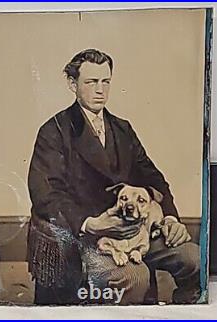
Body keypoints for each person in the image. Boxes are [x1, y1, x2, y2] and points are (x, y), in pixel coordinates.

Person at [27, 49, 200, 305]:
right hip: (87, 238)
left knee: (195, 259)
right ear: (72, 84)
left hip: (136, 232)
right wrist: (90, 223)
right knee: (134, 276)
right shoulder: (54, 130)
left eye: (105, 81)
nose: (100, 90)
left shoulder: (122, 128)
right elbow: (45, 194)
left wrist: (170, 218)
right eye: (91, 82)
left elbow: (154, 180)